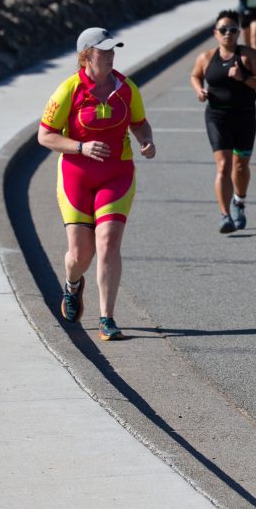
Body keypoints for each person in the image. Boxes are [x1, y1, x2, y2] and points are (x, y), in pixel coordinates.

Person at [38, 27, 157, 341]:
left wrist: (147, 141)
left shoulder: (126, 87)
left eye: (113, 51)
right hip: (76, 176)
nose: (110, 56)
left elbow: (139, 123)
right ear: (86, 56)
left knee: (108, 244)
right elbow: (45, 135)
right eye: (103, 52)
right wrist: (81, 147)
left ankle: (107, 318)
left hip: (116, 175)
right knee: (80, 255)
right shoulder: (69, 90)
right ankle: (73, 285)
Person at [190, 10, 256, 234]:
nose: (228, 34)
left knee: (240, 165)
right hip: (217, 116)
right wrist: (199, 90)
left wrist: (243, 77)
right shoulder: (206, 57)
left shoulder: (248, 56)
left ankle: (239, 202)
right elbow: (195, 75)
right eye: (223, 30)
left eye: (233, 30)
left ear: (238, 33)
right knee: (223, 166)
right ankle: (225, 215)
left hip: (244, 115)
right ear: (215, 33)